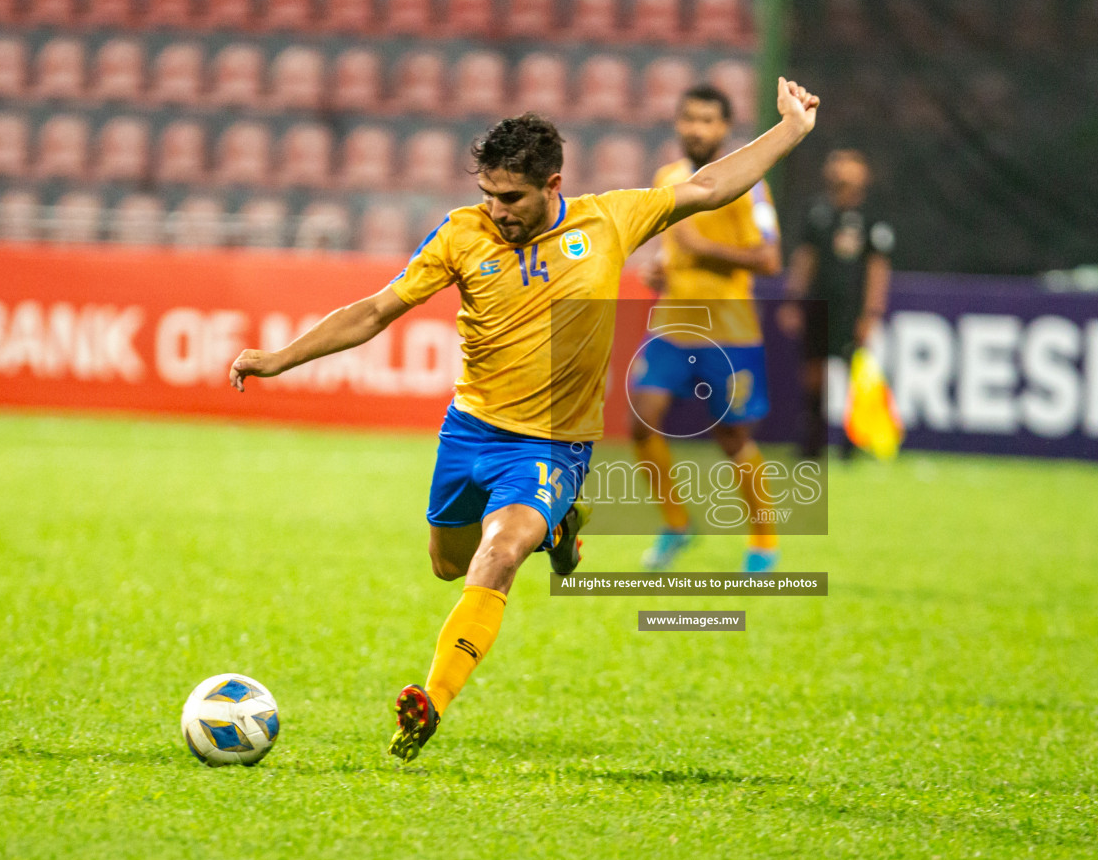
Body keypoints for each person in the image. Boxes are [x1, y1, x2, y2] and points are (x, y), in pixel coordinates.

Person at [228, 78, 821, 762]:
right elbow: (375, 309)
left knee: (500, 552)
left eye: (510, 197)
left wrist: (789, 131)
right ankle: (562, 529)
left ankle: (430, 703)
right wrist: (281, 358)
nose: (497, 210)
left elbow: (710, 188)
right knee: (447, 565)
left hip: (551, 443)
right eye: (488, 195)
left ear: (551, 184)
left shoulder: (608, 221)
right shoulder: (461, 234)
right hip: (469, 430)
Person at [631, 83, 784, 572]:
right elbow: (671, 247)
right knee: (641, 417)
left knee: (733, 439)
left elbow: (769, 258)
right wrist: (658, 266)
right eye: (689, 118)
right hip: (676, 321)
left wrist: (703, 249)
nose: (696, 128)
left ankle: (763, 541)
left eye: (707, 120)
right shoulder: (668, 177)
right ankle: (677, 523)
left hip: (730, 329)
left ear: (724, 129)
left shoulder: (748, 184)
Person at [780, 149, 893, 459]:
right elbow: (804, 258)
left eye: (852, 167)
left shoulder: (872, 218)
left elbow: (877, 268)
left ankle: (851, 442)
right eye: (839, 166)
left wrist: (871, 312)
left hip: (851, 307)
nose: (844, 173)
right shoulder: (818, 212)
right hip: (818, 303)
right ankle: (812, 440)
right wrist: (792, 300)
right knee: (813, 372)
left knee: (853, 374)